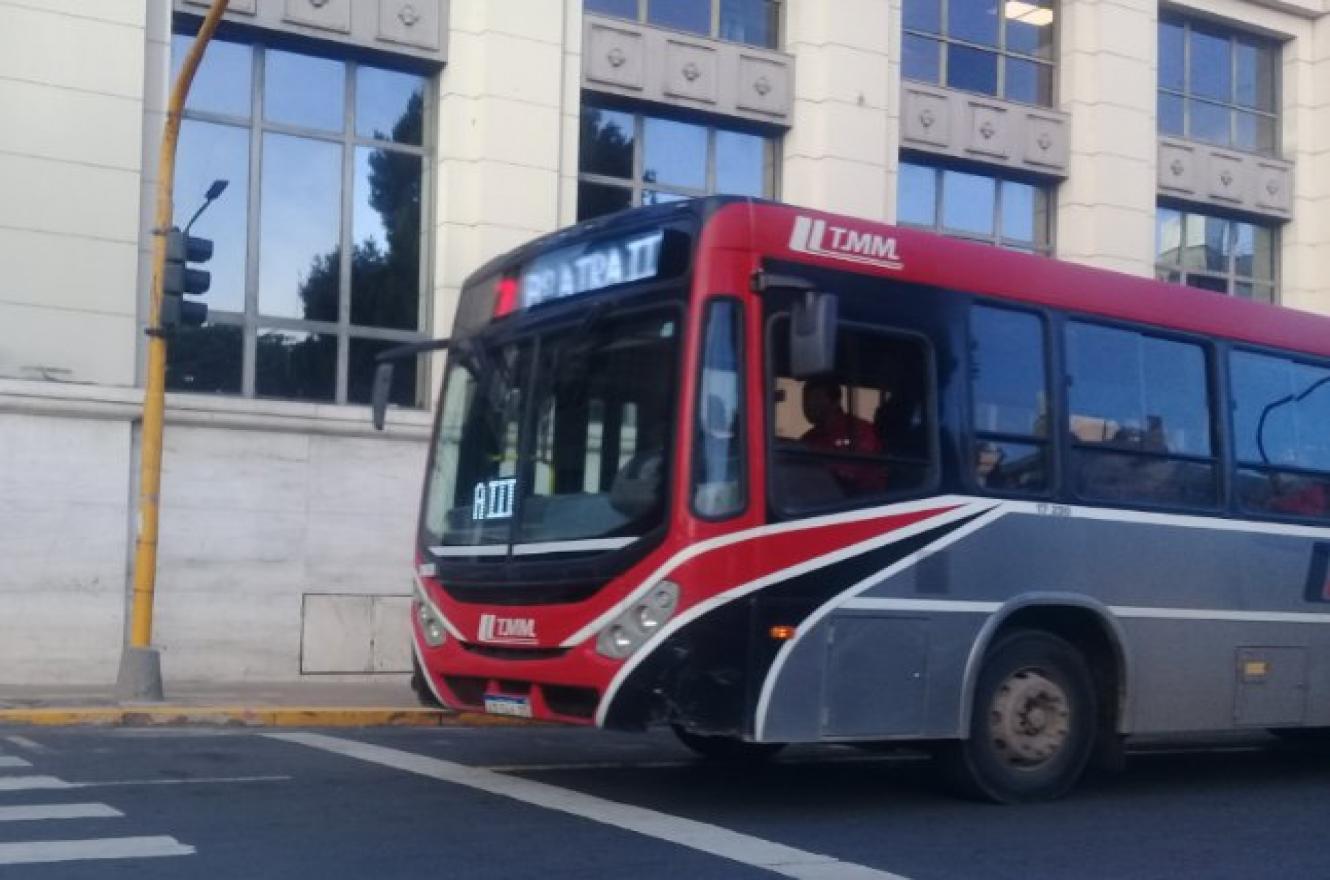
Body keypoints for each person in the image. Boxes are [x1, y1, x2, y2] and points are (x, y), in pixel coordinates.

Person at [800, 377, 887, 494]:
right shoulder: (808, 439)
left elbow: (856, 471)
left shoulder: (860, 430)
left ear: (835, 401)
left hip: (861, 501)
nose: (809, 405)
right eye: (805, 400)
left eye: (816, 399)